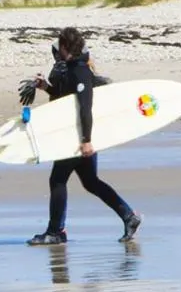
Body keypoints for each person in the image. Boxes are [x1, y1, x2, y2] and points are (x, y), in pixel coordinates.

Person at [21, 27, 143, 245]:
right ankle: (129, 216)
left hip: (77, 136)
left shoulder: (80, 71)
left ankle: (56, 231)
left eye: (60, 47)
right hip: (77, 134)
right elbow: (65, 99)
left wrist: (86, 141)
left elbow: (85, 107)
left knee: (57, 179)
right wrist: (46, 87)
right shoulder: (72, 68)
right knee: (90, 182)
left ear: (66, 47)